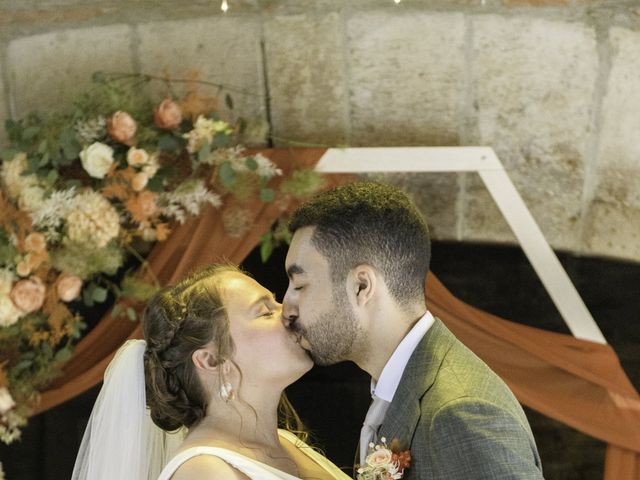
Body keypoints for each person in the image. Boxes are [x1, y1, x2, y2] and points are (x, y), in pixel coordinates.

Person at [282, 181, 544, 479]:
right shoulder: (403, 388)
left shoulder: (462, 413)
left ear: (361, 286)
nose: (286, 307)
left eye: (300, 285)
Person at [72, 264, 350, 480]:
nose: (289, 312)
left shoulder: (286, 443)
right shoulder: (204, 471)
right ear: (212, 360)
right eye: (265, 312)